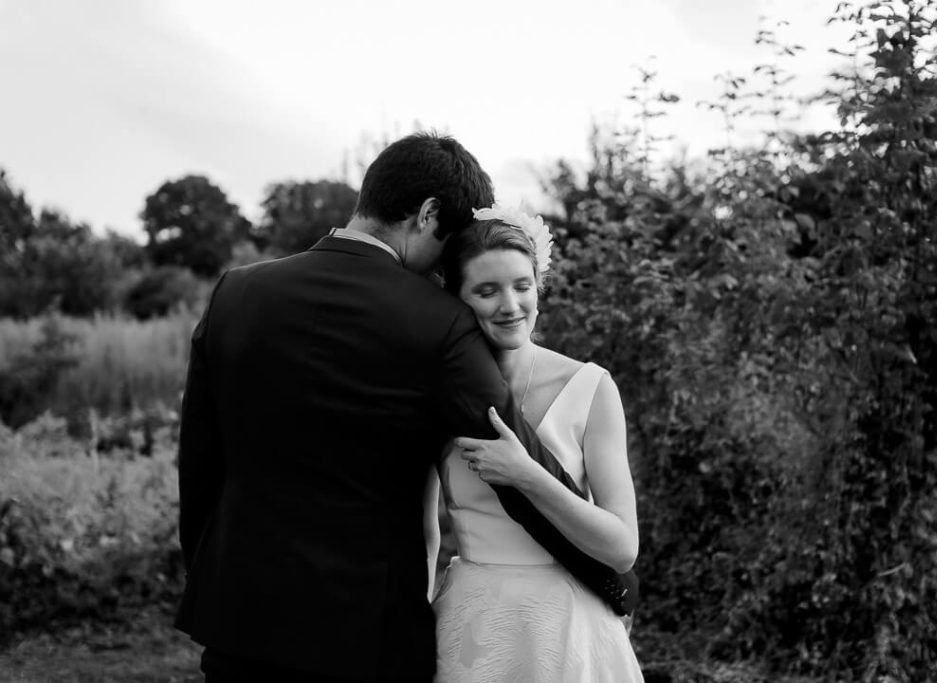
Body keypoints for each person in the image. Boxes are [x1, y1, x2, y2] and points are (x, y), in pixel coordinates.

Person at [174, 133, 613, 683]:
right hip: (367, 635)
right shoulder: (437, 320)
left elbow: (199, 467)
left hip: (238, 619)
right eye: (448, 243)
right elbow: (511, 456)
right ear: (428, 214)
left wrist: (214, 582)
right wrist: (613, 579)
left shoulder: (235, 293)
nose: (441, 270)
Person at [429, 205, 645, 682]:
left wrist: (525, 474)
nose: (510, 306)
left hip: (569, 624)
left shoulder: (591, 387)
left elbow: (622, 547)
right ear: (457, 299)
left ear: (538, 288)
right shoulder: (437, 397)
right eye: (487, 291)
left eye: (522, 286)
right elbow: (426, 533)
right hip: (476, 623)